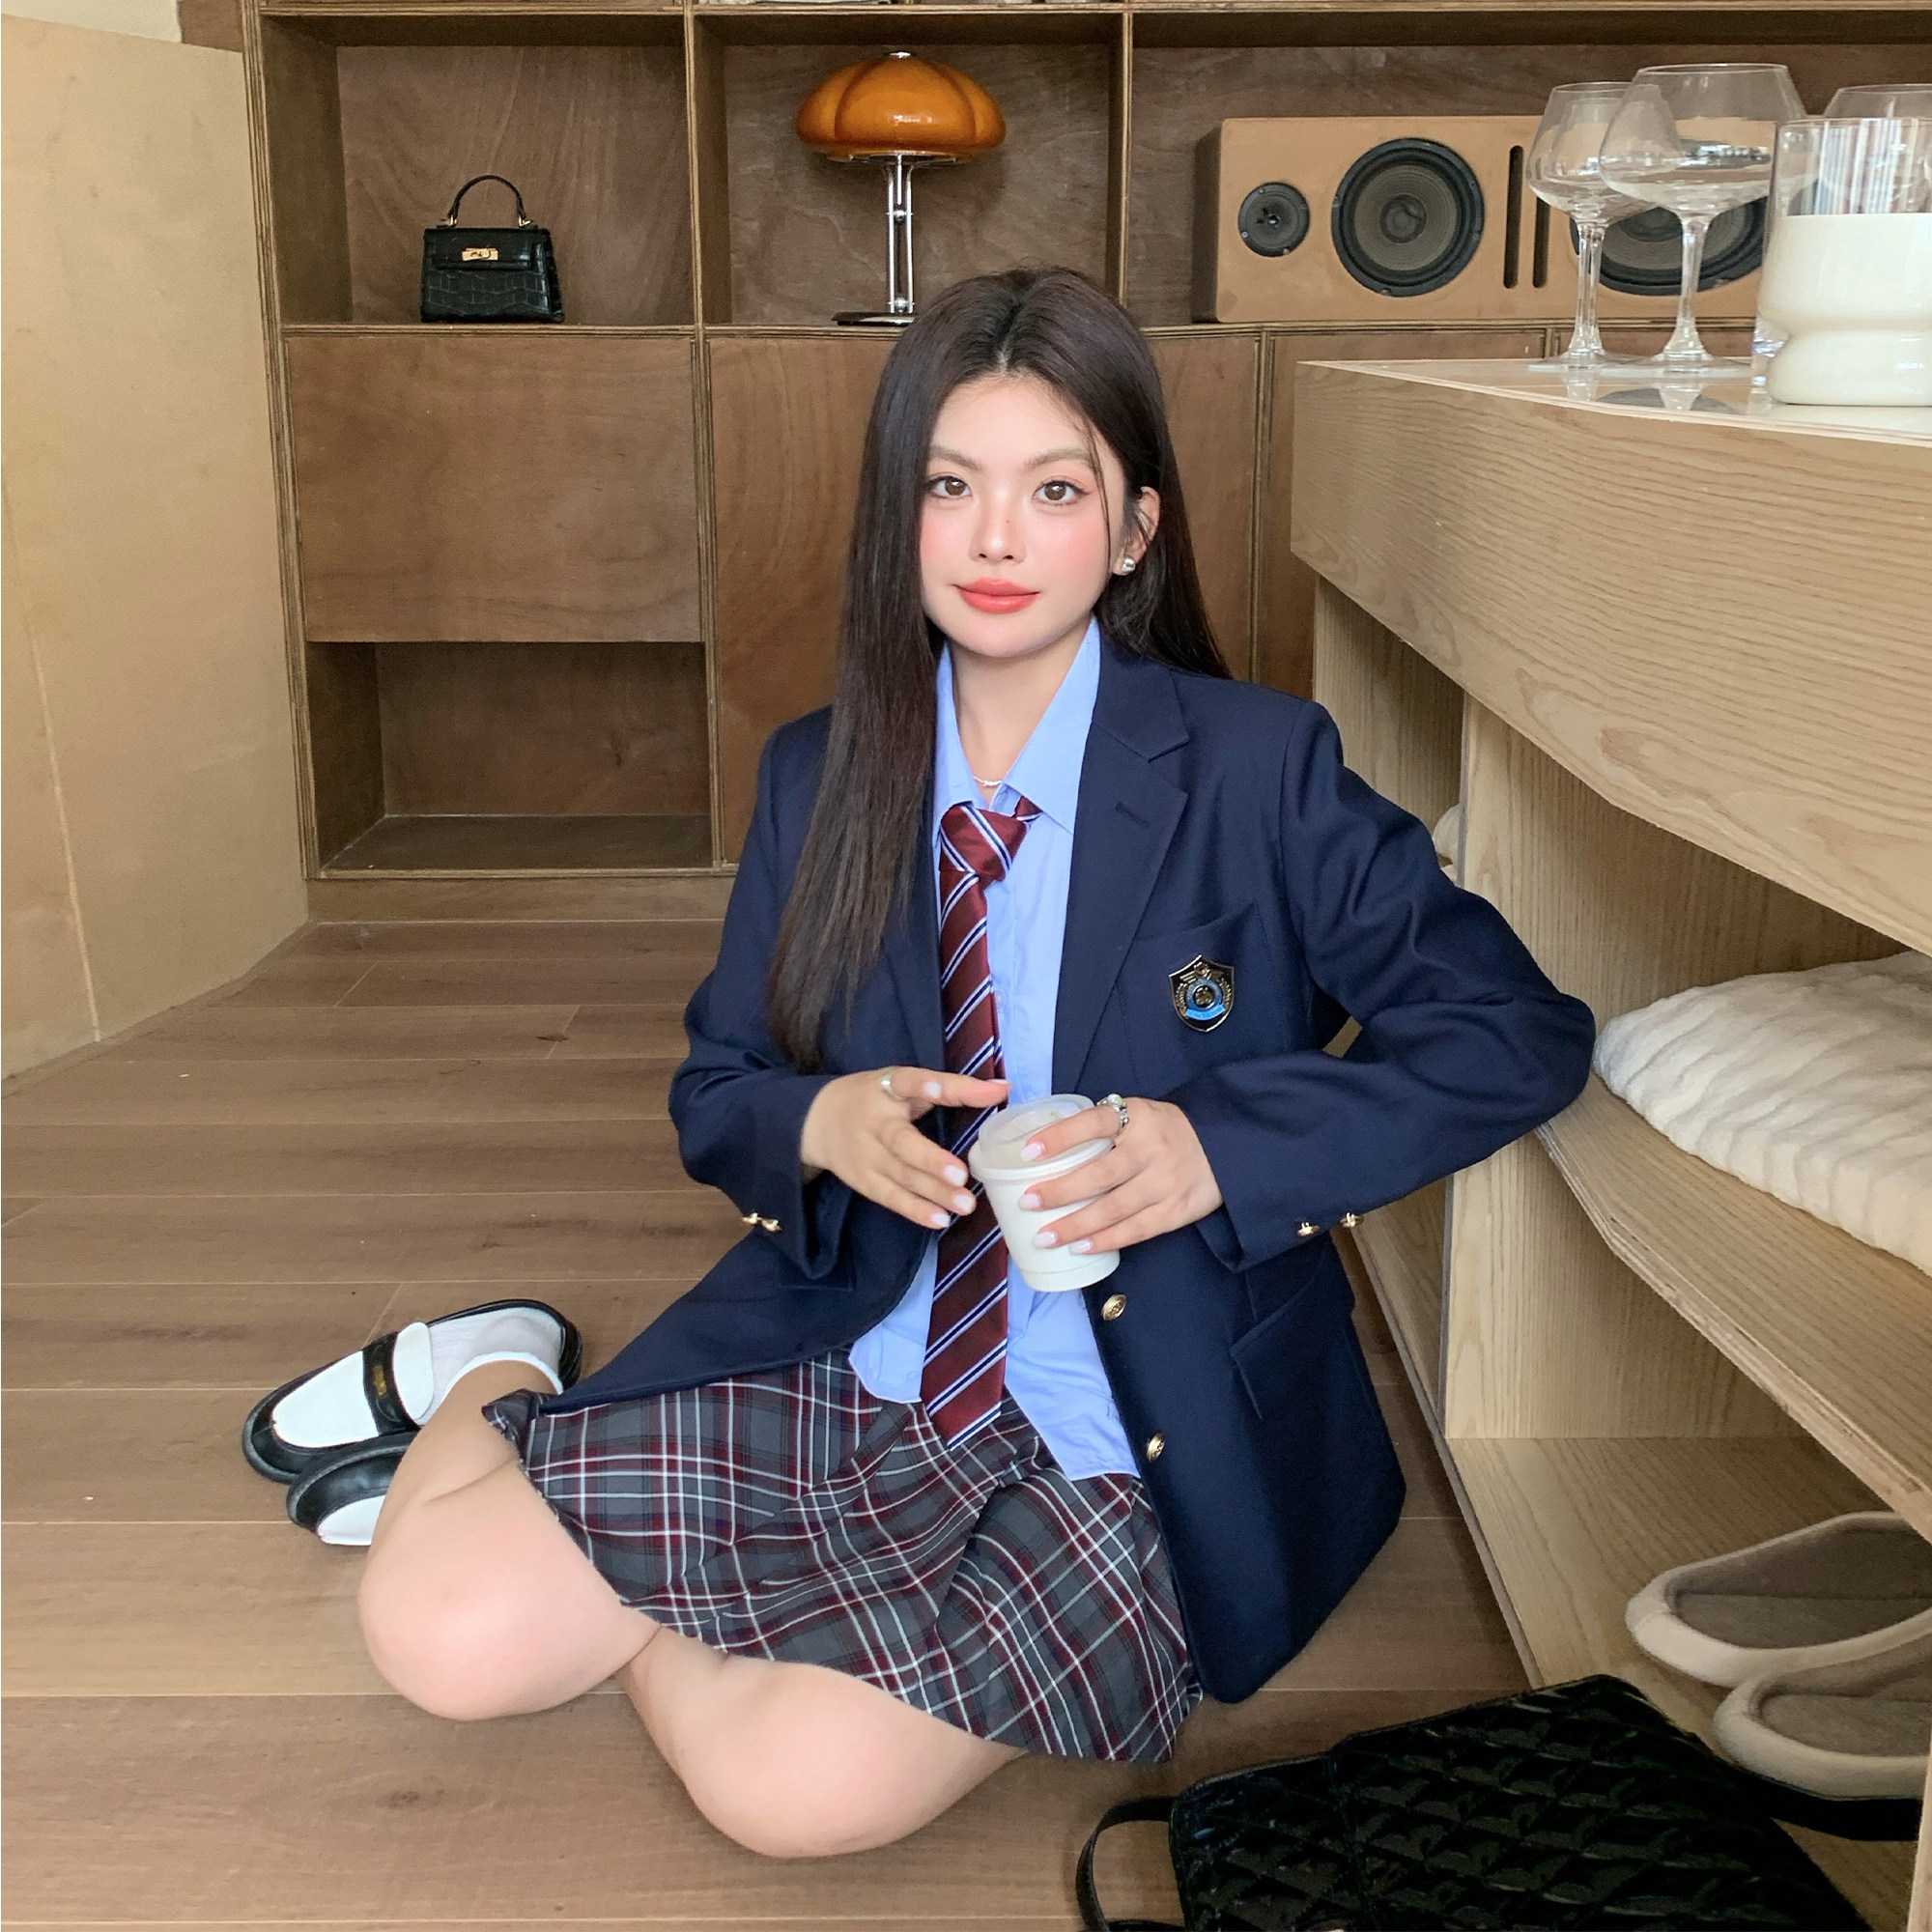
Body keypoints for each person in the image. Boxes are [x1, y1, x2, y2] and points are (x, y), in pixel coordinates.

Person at [243, 266, 1598, 1860]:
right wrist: (818, 1120)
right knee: (438, 1642)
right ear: (899, 519)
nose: (996, 539)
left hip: (1117, 1428)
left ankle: (685, 1584)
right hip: (859, 1348)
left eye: (1055, 490)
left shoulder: (1258, 766)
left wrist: (1220, 1151)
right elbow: (716, 1092)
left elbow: (1516, 1032)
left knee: (792, 1797)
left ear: (1135, 527)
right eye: (950, 488)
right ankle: (501, 1364)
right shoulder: (818, 776)